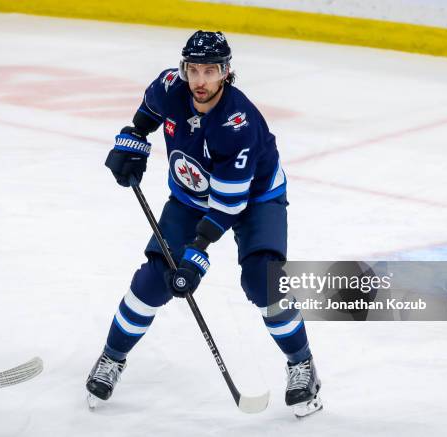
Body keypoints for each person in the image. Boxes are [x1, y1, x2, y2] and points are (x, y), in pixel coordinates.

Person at [86, 30, 322, 417]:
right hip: (189, 198)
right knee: (153, 278)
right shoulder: (170, 86)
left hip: (255, 200)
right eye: (193, 69)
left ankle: (302, 364)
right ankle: (112, 358)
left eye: (209, 71)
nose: (199, 81)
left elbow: (228, 205)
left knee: (263, 279)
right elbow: (147, 113)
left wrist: (197, 252)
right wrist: (132, 140)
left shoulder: (237, 122)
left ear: (226, 73)